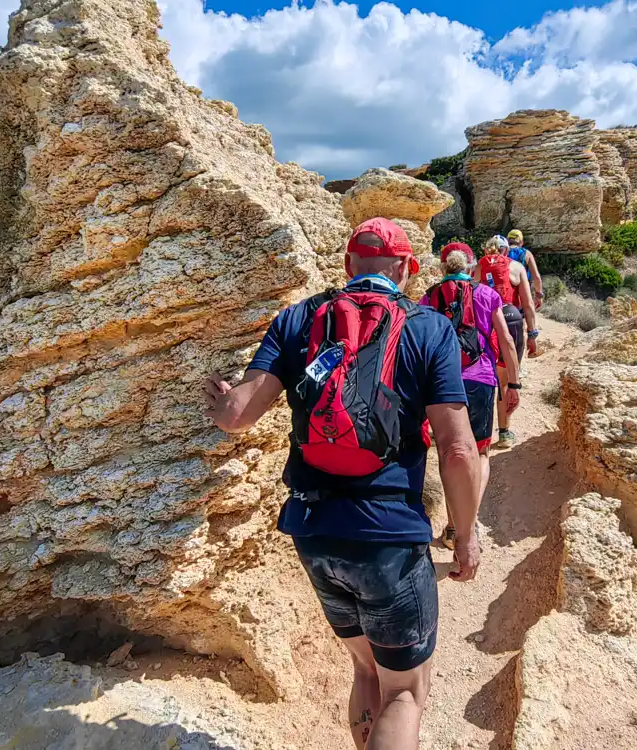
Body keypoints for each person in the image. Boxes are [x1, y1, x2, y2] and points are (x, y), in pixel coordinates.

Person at [203, 217, 483, 750]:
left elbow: (238, 415)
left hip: (313, 533)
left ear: (349, 265)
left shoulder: (297, 319)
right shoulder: (428, 328)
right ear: (406, 268)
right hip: (388, 541)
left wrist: (219, 400)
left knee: (365, 669)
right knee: (404, 692)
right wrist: (464, 535)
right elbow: (458, 448)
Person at [420, 242, 521, 550]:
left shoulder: (430, 296)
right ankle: (464, 523)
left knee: (449, 453)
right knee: (479, 453)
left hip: (440, 384)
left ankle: (453, 527)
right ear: (470, 267)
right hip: (479, 380)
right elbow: (506, 340)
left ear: (443, 267)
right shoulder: (488, 295)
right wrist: (513, 385)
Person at [478, 235, 539, 448]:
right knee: (504, 381)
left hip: (485, 323)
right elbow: (528, 304)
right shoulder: (516, 267)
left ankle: (480, 432)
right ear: (506, 250)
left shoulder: (478, 267)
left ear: (487, 251)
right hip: (511, 320)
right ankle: (504, 433)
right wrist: (532, 335)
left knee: (484, 378)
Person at [507, 229, 544, 309]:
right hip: (522, 294)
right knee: (525, 317)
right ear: (521, 242)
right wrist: (539, 295)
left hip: (506, 294)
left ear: (507, 240)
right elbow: (536, 277)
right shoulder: (527, 254)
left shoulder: (503, 252)